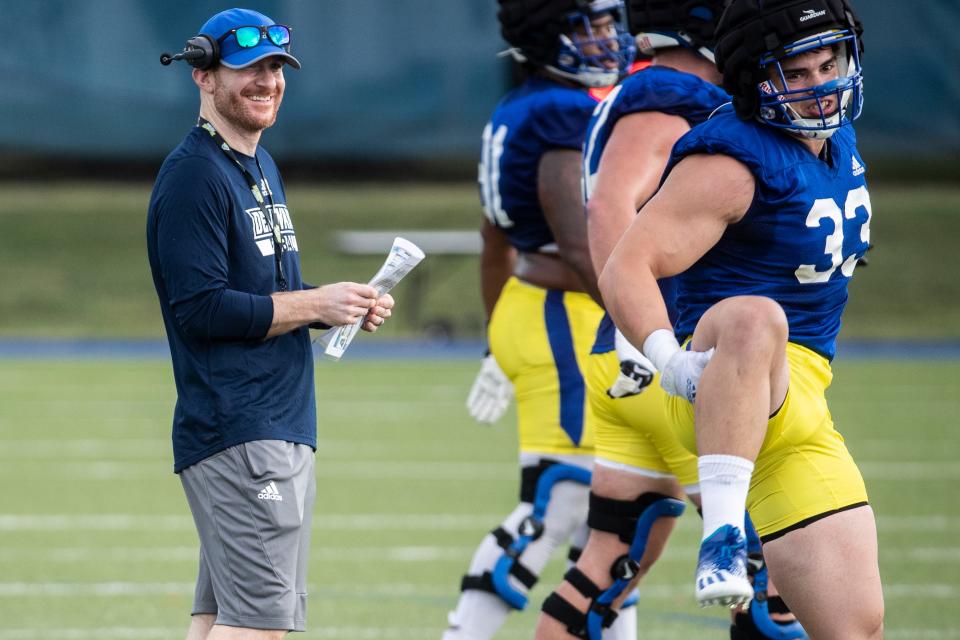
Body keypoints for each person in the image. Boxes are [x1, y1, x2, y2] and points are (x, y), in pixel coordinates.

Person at [599, 0, 884, 636]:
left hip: (803, 407)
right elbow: (625, 267)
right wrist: (669, 361)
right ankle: (724, 532)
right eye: (798, 73)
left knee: (855, 630)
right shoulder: (730, 157)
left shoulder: (837, 140)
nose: (822, 85)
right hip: (721, 376)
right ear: (757, 78)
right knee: (757, 317)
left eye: (828, 63)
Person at [537, 2, 805, 638]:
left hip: (632, 363)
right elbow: (607, 210)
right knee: (775, 570)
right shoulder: (669, 97)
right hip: (674, 361)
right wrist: (650, 339)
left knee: (605, 566)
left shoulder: (649, 91)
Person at [146, 8, 394, 639]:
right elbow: (200, 308)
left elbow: (263, 293)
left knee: (221, 622)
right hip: (242, 432)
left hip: (270, 426)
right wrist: (313, 306)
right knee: (260, 627)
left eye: (276, 68)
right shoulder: (195, 176)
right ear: (202, 76)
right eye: (247, 68)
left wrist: (338, 300)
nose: (267, 81)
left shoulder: (257, 164)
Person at [448, 1, 637, 638]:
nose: (608, 37)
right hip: (565, 314)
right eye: (593, 25)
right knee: (560, 502)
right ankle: (465, 631)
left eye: (612, 22)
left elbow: (493, 237)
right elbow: (580, 245)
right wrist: (646, 329)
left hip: (536, 309)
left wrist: (496, 339)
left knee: (611, 518)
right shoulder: (562, 110)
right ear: (548, 35)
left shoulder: (517, 108)